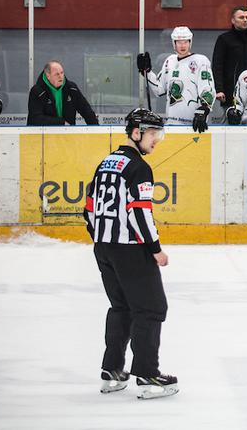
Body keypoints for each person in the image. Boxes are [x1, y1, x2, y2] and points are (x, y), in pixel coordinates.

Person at [85, 108, 177, 400]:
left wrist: (102, 240)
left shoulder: (105, 163)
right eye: (152, 134)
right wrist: (155, 249)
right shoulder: (138, 167)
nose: (157, 140)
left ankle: (112, 371)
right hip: (130, 249)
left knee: (121, 307)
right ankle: (148, 374)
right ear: (136, 133)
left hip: (104, 248)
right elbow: (140, 213)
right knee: (150, 308)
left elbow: (88, 207)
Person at [136, 26, 214, 132]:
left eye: (186, 42)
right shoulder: (170, 61)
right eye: (179, 42)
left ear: (190, 42)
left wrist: (204, 108)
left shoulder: (201, 61)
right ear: (174, 43)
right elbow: (159, 89)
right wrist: (147, 72)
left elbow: (207, 87)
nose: (183, 45)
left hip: (194, 123)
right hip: (172, 123)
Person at [212, 6, 247, 111]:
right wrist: (219, 89)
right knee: (230, 124)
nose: (245, 20)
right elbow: (217, 66)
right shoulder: (224, 39)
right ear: (233, 20)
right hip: (230, 93)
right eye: (241, 17)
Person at [26, 59, 99, 126]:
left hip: (67, 136)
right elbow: (35, 119)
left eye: (62, 73)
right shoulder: (37, 91)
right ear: (48, 76)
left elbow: (86, 111)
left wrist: (97, 130)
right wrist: (61, 122)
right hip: (43, 136)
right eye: (57, 74)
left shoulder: (72, 89)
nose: (61, 77)